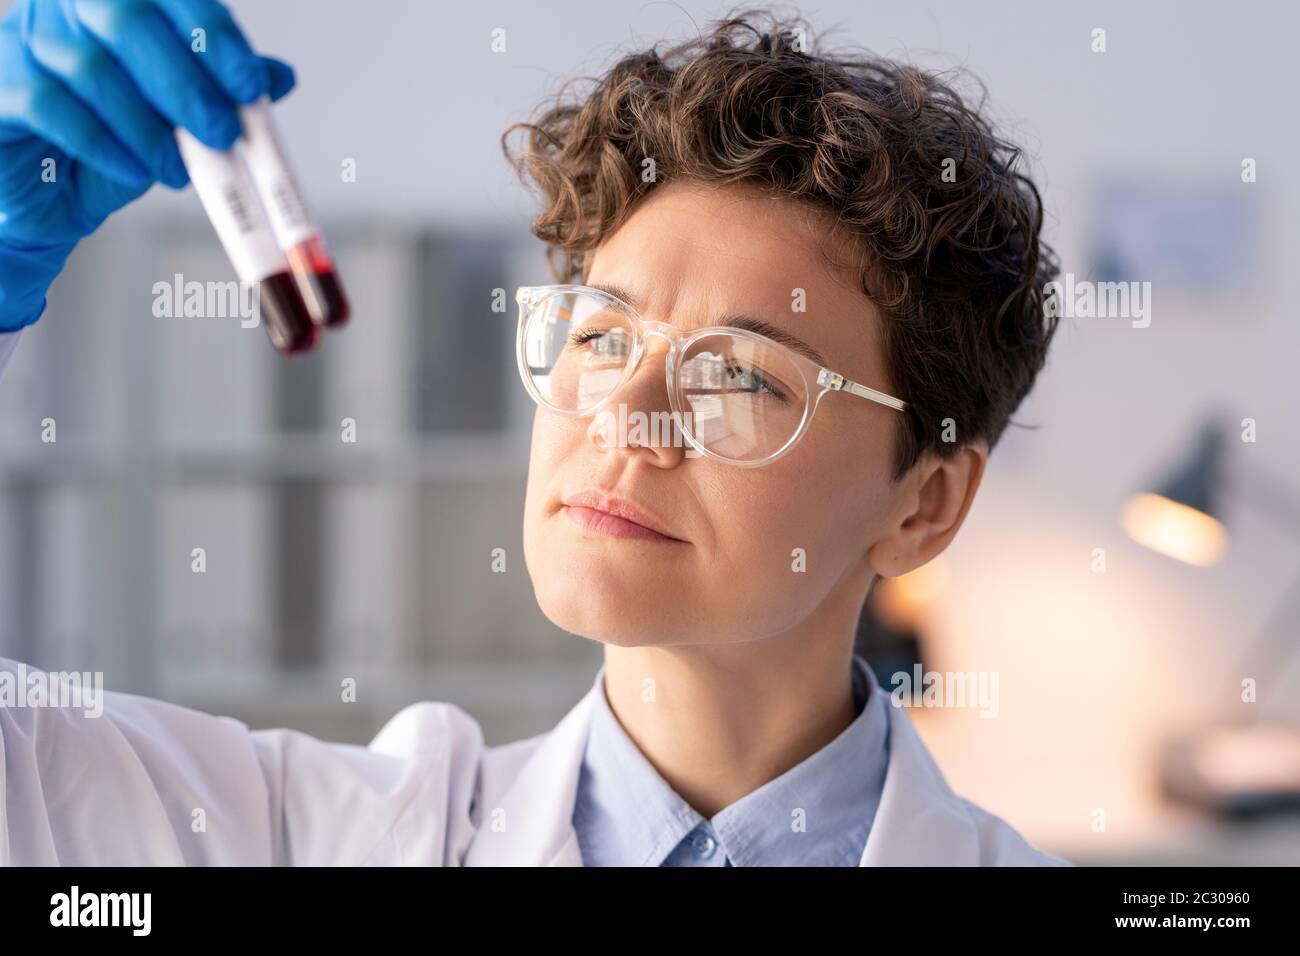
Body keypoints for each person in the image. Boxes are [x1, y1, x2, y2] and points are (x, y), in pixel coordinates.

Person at [0, 1, 1069, 866]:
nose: (625, 412)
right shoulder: (304, 834)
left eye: (739, 372)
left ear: (923, 504)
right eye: (601, 334)